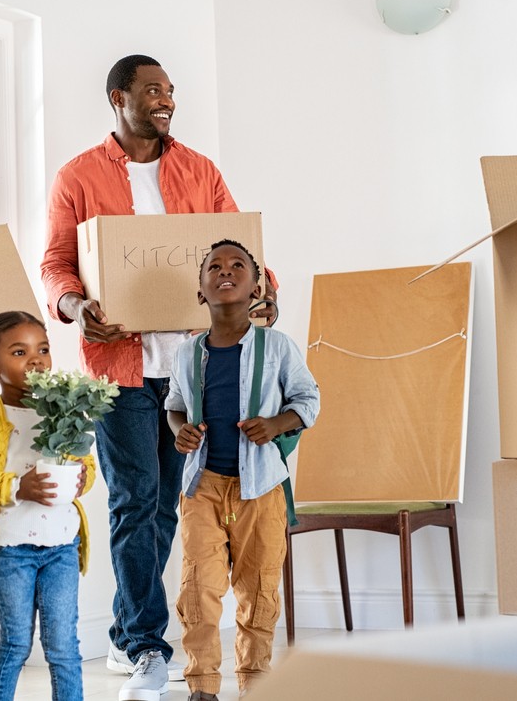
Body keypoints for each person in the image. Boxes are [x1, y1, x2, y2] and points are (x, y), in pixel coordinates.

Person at [39, 55, 277, 701]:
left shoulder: (199, 170)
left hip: (193, 370)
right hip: (120, 370)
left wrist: (266, 289)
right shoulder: (79, 177)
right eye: (152, 90)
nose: (165, 99)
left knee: (171, 497)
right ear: (119, 97)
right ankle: (146, 641)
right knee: (133, 498)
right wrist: (77, 309)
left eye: (170, 90)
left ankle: (123, 631)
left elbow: (241, 250)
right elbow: (57, 266)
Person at [167, 240, 320, 700]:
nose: (225, 271)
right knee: (199, 588)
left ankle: (256, 682)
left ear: (258, 287)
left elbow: (308, 399)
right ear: (200, 290)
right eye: (214, 266)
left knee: (258, 588)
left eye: (238, 266)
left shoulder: (277, 347)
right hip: (203, 487)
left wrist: (277, 423)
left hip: (261, 489)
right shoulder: (186, 353)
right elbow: (174, 406)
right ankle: (203, 685)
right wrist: (181, 430)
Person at [0, 311, 96, 701]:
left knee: (64, 646)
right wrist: (18, 487)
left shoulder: (64, 410)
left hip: (61, 548)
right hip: (10, 551)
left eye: (43, 350)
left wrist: (83, 477)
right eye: (20, 352)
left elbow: (87, 464)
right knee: (16, 643)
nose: (36, 359)